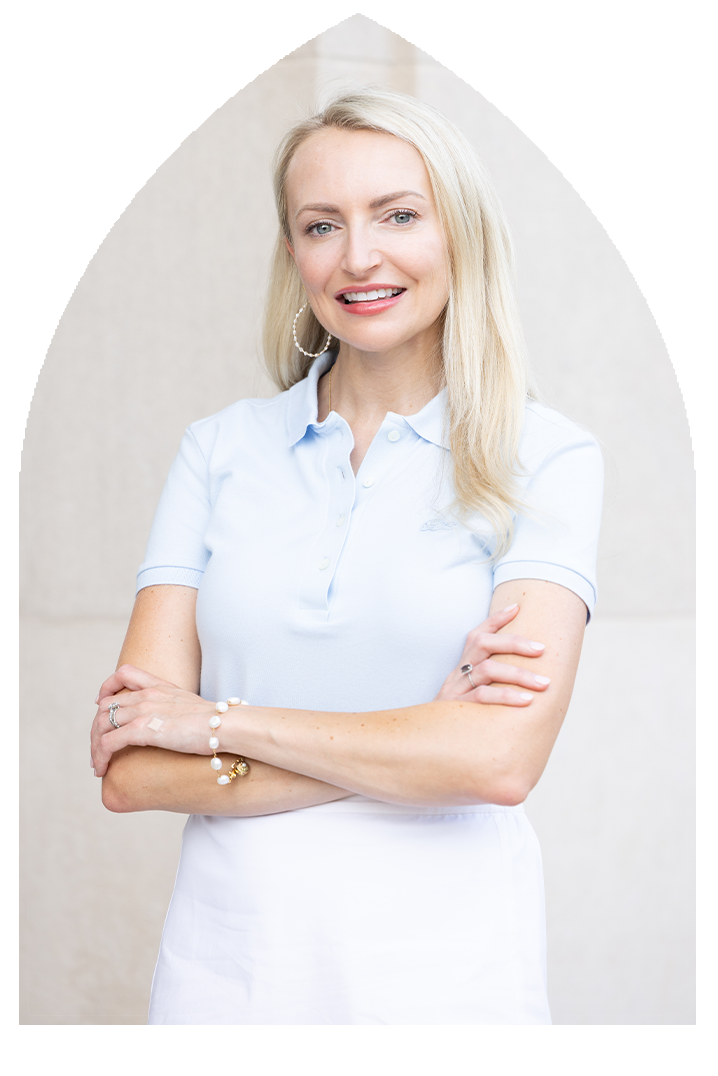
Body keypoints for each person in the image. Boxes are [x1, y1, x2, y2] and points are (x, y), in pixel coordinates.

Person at [90, 88, 603, 1025]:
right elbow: (131, 767)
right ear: (294, 254)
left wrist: (217, 720)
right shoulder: (220, 450)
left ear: (461, 232)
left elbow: (497, 761)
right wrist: (412, 743)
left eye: (398, 215)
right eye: (321, 225)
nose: (359, 257)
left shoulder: (546, 457)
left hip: (445, 964)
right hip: (228, 964)